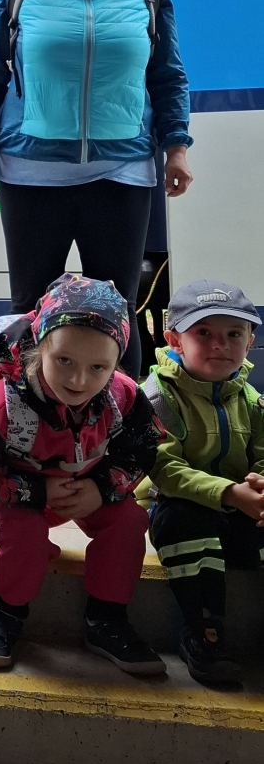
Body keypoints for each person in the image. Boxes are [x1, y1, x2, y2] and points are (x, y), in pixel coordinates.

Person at [0, 0, 192, 379]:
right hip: (31, 172)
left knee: (117, 309)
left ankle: (120, 420)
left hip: (121, 170)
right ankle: (26, 420)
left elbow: (168, 75)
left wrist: (176, 148)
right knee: (31, 308)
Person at [0, 274, 163, 675]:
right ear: (40, 346)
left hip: (88, 485)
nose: (79, 380)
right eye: (64, 361)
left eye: (98, 367)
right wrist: (34, 492)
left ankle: (107, 618)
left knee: (129, 521)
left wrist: (102, 488)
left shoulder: (124, 397)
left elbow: (144, 446)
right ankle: (5, 611)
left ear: (116, 364)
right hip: (16, 488)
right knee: (25, 531)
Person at [146, 281, 264, 688]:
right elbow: (164, 468)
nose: (220, 344)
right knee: (182, 519)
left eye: (233, 333)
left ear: (250, 342)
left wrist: (260, 487)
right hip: (178, 509)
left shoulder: (251, 399)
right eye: (203, 333)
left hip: (239, 513)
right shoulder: (156, 397)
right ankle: (204, 632)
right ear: (174, 340)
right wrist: (229, 493)